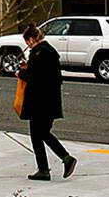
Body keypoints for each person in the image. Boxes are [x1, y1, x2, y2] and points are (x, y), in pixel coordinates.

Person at [17, 25, 77, 181]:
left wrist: (20, 72)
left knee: (40, 134)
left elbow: (33, 76)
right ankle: (45, 168)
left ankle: (64, 159)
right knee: (39, 134)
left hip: (40, 102)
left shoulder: (39, 54)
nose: (27, 45)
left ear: (31, 39)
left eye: (27, 42)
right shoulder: (49, 51)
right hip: (50, 101)